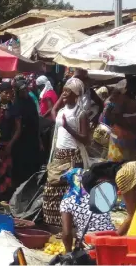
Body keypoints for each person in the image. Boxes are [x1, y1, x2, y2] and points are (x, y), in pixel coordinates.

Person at [43, 77, 89, 230]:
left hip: (72, 156)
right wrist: (59, 101)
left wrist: (68, 127)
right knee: (52, 189)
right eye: (63, 90)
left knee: (71, 192)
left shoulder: (81, 114)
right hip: (58, 155)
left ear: (76, 95)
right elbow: (54, 112)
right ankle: (56, 225)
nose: (64, 94)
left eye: (67, 92)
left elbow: (85, 139)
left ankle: (69, 227)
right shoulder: (62, 111)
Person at [82, 160, 136, 235]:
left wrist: (115, 238)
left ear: (100, 181)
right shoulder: (125, 167)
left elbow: (134, 215)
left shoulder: (122, 176)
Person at [61, 168, 115, 253]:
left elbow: (67, 233)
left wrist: (68, 254)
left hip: (89, 242)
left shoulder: (67, 201)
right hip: (111, 239)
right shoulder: (99, 193)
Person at [103, 75, 136, 162]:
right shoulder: (123, 99)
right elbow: (113, 116)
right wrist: (131, 126)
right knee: (120, 165)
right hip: (121, 138)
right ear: (134, 87)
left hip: (130, 137)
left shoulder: (132, 99)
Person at [12, 77, 43, 188]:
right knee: (22, 166)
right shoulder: (16, 104)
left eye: (26, 90)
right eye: (22, 91)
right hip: (21, 141)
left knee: (33, 164)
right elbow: (17, 127)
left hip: (32, 138)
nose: (25, 92)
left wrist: (39, 140)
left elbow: (36, 122)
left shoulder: (30, 101)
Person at [0, 81, 19, 201]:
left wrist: (10, 143)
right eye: (6, 93)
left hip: (7, 144)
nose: (9, 95)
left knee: (6, 170)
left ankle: (4, 195)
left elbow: (18, 128)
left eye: (11, 93)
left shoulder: (13, 108)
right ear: (0, 93)